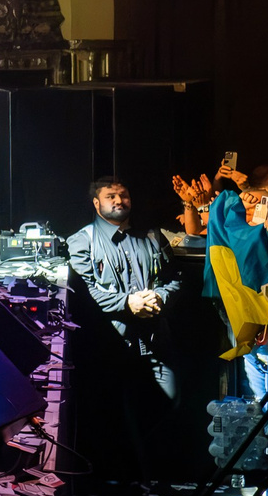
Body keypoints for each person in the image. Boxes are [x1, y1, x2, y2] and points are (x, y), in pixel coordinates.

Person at [67, 177, 186, 475]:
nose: (119, 200)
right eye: (111, 196)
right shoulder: (82, 241)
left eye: (124, 195)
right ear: (97, 203)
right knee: (112, 418)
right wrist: (128, 303)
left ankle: (149, 477)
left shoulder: (152, 237)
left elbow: (175, 280)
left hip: (157, 342)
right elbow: (87, 295)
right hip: (112, 349)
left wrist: (159, 296)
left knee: (168, 405)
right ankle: (124, 483)